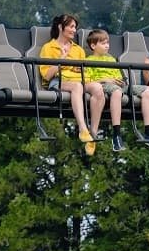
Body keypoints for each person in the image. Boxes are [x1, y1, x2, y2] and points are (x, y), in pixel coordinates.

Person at [85, 29, 149, 151]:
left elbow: (118, 76)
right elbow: (88, 81)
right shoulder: (88, 61)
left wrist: (120, 80)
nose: (107, 46)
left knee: (147, 90)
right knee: (117, 92)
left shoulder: (111, 59)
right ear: (93, 45)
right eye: (103, 43)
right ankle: (116, 135)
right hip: (104, 85)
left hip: (119, 85)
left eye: (108, 43)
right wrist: (105, 79)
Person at [39, 14, 105, 156]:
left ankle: (92, 133)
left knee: (98, 89)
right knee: (77, 87)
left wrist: (78, 69)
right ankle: (82, 129)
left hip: (78, 79)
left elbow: (84, 71)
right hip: (58, 81)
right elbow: (47, 75)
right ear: (60, 27)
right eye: (71, 27)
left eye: (75, 27)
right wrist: (61, 59)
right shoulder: (48, 48)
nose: (74, 30)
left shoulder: (78, 50)